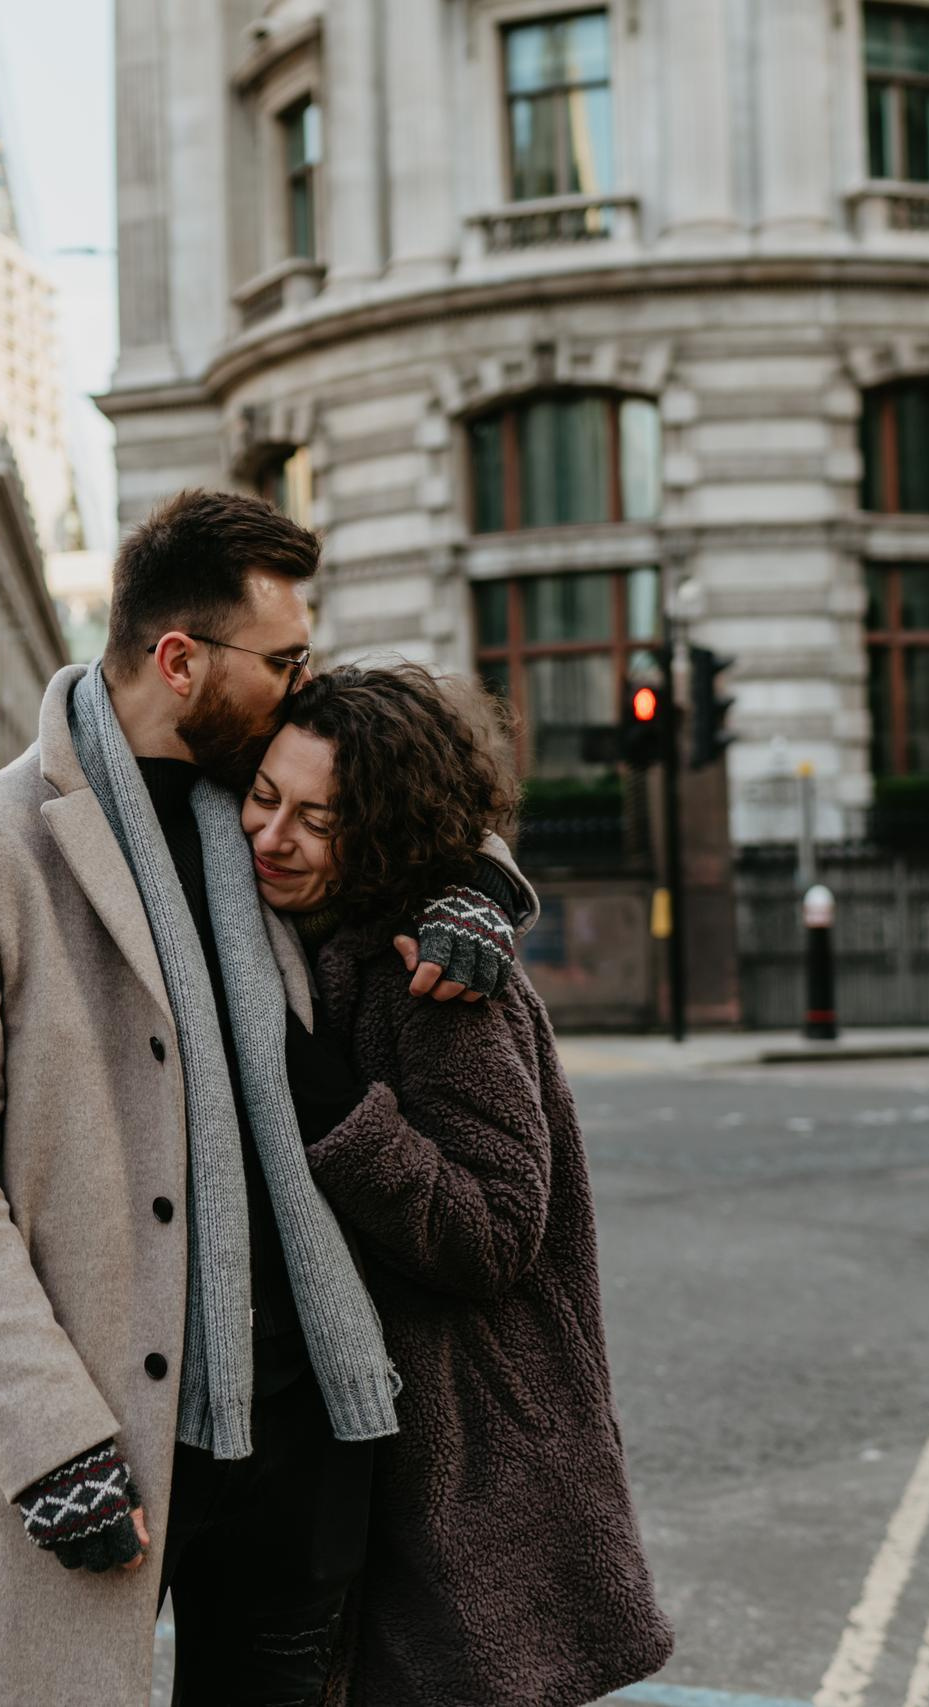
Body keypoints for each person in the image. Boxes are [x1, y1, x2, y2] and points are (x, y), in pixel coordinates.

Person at [0, 489, 533, 1707]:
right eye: (283, 661)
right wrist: (46, 1438)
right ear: (181, 661)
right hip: (105, 1439)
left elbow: (410, 790)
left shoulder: (260, 800)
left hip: (313, 1425)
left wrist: (477, 888)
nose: (302, 683)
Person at [247, 661, 674, 1707]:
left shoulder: (429, 977)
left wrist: (337, 1115)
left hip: (465, 1483)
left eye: (319, 819)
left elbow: (493, 1230)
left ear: (383, 835)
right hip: (380, 1464)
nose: (274, 836)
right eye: (262, 797)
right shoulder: (310, 933)